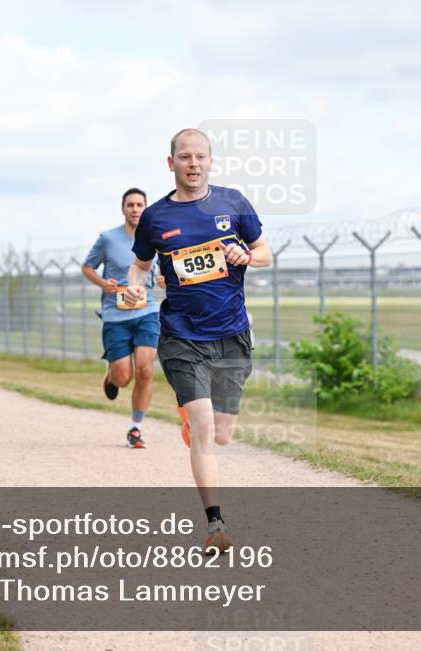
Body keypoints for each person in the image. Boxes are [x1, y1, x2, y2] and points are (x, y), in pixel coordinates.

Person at [123, 128, 273, 552]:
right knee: (206, 430)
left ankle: (195, 419)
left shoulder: (234, 202)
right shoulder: (155, 217)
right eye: (184, 157)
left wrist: (247, 255)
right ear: (170, 163)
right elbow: (139, 267)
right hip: (181, 337)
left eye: (200, 156)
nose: (193, 164)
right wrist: (135, 287)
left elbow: (265, 252)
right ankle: (216, 526)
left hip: (232, 336)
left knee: (222, 434)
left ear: (211, 161)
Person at [82, 188, 165, 449]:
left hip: (147, 310)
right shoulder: (108, 239)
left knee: (145, 367)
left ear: (146, 209)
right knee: (123, 377)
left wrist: (165, 279)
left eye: (140, 204)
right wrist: (102, 283)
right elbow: (88, 267)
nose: (136, 209)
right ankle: (111, 378)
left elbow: (166, 271)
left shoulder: (156, 238)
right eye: (131, 205)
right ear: (123, 209)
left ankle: (136, 428)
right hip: (116, 314)